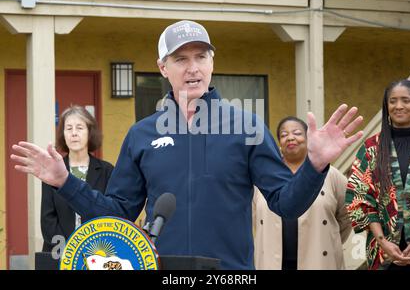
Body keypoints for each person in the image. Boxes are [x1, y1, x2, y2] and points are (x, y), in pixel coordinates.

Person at [11, 20, 364, 269]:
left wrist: (314, 165)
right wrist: (65, 183)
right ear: (162, 67)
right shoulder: (142, 135)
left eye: (201, 57)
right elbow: (118, 215)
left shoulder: (246, 126)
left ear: (212, 62)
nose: (192, 68)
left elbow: (286, 203)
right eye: (181, 59)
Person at [253, 116, 352, 270]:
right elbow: (253, 218)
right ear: (279, 143)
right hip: (271, 263)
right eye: (284, 135)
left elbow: (346, 218)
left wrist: (326, 239)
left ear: (308, 139)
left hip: (319, 261)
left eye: (297, 133)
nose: (290, 137)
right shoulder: (264, 176)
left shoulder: (332, 175)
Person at [346, 79, 410, 270]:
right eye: (393, 101)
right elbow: (359, 197)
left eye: (406, 100)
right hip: (384, 253)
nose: (398, 106)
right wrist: (383, 241)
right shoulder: (372, 148)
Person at [41, 105, 114, 252]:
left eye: (79, 128)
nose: (74, 133)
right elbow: (48, 219)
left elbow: (111, 213)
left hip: (98, 251)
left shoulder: (107, 171)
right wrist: (68, 251)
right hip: (59, 253)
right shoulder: (53, 169)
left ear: (90, 132)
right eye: (69, 128)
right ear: (63, 134)